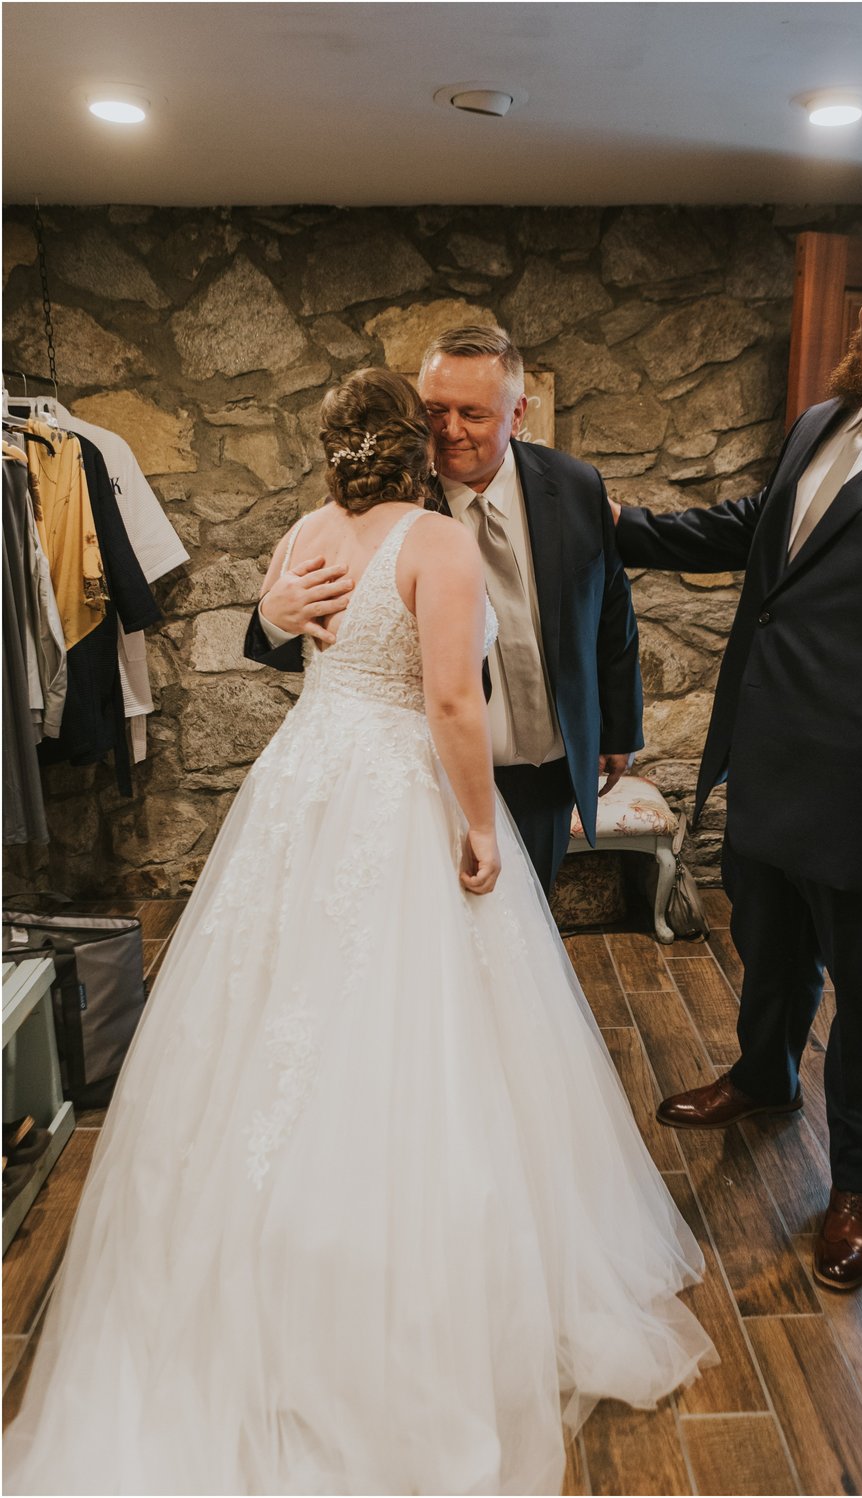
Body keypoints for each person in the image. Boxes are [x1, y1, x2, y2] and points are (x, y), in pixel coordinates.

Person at [5, 369, 713, 1497]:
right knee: (417, 1014)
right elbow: (448, 701)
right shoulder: (436, 544)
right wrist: (479, 824)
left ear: (331, 447)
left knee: (273, 1002)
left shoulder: (303, 527)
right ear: (413, 447)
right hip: (391, 781)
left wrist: (277, 615)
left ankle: (250, 1251)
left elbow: (299, 646)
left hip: (303, 782)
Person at [609, 197, 862, 1293]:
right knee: (769, 949)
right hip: (774, 766)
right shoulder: (827, 418)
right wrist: (619, 525)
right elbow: (761, 528)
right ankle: (764, 1075)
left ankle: (860, 1187)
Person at [244, 325, 643, 895]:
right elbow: (331, 650)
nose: (450, 430)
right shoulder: (382, 509)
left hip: (549, 769)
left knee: (521, 947)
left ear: (518, 413)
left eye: (473, 414)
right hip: (430, 778)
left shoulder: (575, 485)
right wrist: (272, 617)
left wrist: (619, 727)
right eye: (436, 410)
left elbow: (610, 610)